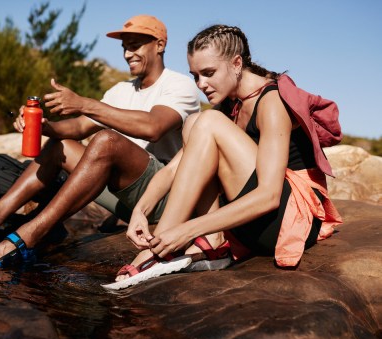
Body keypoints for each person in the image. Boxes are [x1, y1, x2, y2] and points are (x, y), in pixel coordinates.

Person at [0, 15, 227, 268]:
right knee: (62, 145)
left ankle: (27, 236)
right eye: (125, 47)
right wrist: (45, 127)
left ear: (160, 45)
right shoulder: (121, 89)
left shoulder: (179, 85)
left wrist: (85, 103)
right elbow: (80, 127)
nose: (128, 53)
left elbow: (153, 127)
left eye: (135, 45)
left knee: (106, 141)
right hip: (127, 195)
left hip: (167, 196)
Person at [109, 24, 343, 289]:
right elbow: (176, 169)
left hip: (283, 223)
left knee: (206, 120)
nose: (201, 85)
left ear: (236, 63)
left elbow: (269, 195)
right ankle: (211, 241)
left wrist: (188, 229)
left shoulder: (271, 101)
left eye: (208, 73)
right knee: (194, 122)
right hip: (248, 222)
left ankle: (157, 252)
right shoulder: (229, 104)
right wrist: (141, 210)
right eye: (195, 76)